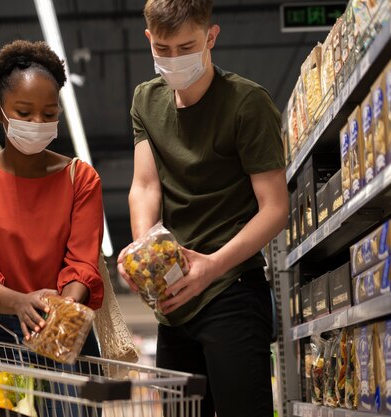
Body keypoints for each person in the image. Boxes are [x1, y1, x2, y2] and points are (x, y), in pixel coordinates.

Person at [117, 1, 289, 416]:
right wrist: (145, 252)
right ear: (148, 40)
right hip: (175, 305)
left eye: (186, 46)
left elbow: (275, 208)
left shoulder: (248, 104)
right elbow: (144, 185)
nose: (173, 59)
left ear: (211, 37)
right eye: (163, 48)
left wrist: (210, 266)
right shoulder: (146, 100)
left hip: (232, 290)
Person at [0, 40, 104, 359]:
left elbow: (82, 265)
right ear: (0, 113)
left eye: (48, 114)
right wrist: (20, 302)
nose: (37, 123)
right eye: (23, 112)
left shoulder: (81, 179)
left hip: (65, 327)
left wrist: (64, 306)